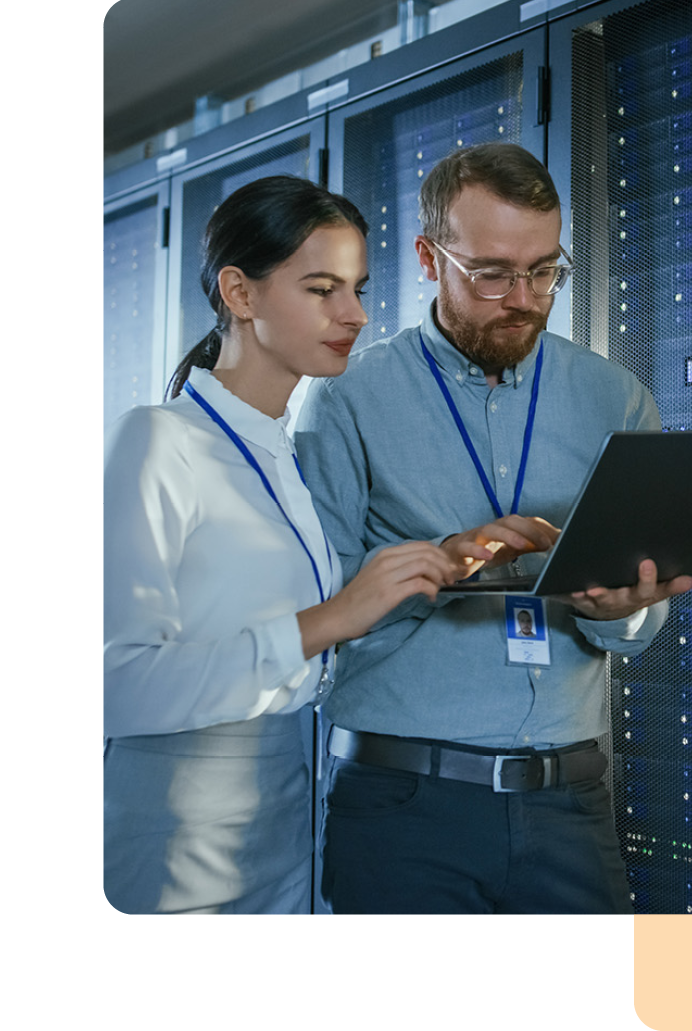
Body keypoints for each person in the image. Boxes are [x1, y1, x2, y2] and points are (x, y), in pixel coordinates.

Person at [295, 142, 692, 915]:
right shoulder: (349, 398)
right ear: (426, 257)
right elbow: (315, 614)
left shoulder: (616, 398)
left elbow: (643, 612)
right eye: (492, 273)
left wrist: (626, 609)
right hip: (405, 805)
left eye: (544, 271)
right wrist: (431, 570)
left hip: (570, 807)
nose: (523, 297)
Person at [103, 176, 483, 915]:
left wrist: (435, 560)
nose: (356, 315)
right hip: (181, 842)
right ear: (239, 294)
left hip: (290, 820)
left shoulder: (284, 456)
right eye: (321, 289)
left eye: (358, 288)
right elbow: (119, 684)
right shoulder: (157, 442)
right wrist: (334, 617)